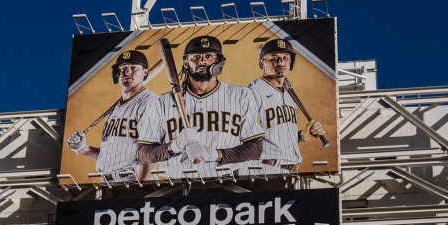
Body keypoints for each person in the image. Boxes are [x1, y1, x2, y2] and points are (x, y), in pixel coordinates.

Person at [138, 36, 263, 179]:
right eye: (195, 57)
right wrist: (174, 146)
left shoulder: (241, 96)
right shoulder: (161, 103)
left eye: (209, 56)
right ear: (186, 63)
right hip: (177, 184)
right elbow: (143, 153)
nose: (202, 61)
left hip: (227, 181)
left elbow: (256, 148)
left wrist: (215, 154)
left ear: (219, 61)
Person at [66, 49, 160, 182]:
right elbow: (111, 156)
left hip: (133, 179)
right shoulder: (116, 109)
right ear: (117, 74)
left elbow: (152, 152)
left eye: (133, 67)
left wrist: (144, 185)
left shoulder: (149, 102)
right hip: (108, 181)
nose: (127, 72)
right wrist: (83, 149)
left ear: (145, 71)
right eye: (123, 68)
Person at [246, 38, 326, 172]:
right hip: (264, 169)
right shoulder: (251, 93)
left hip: (291, 169)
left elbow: (277, 134)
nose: (281, 62)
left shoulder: (290, 95)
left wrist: (303, 136)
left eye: (285, 58)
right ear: (262, 63)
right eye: (274, 58)